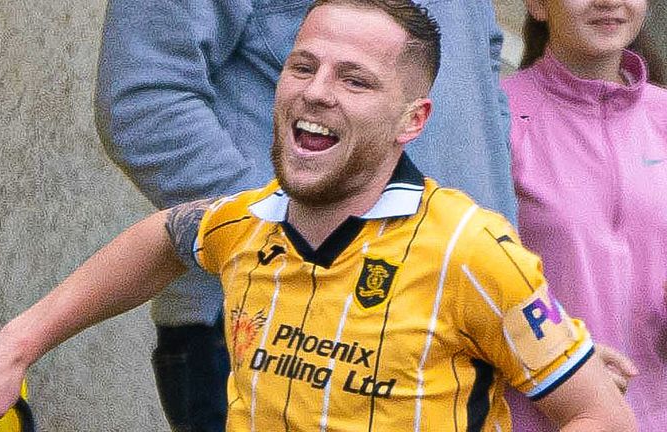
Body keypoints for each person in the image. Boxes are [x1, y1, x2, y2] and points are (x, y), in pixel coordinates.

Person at [0, 1, 635, 431]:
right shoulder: (251, 224)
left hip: (458, 311)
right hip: (232, 329)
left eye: (354, 78)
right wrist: (15, 348)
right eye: (302, 65)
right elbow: (160, 199)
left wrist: (518, 312)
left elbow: (481, 94)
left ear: (413, 117)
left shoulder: (474, 253)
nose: (317, 91)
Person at [94, 0, 516, 428]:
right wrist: (294, 243)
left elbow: (483, 81)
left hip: (461, 332)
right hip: (272, 330)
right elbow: (145, 102)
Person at [503, 0, 667, 430]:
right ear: (538, 5)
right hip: (540, 416)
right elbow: (456, 285)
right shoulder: (500, 117)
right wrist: (562, 358)